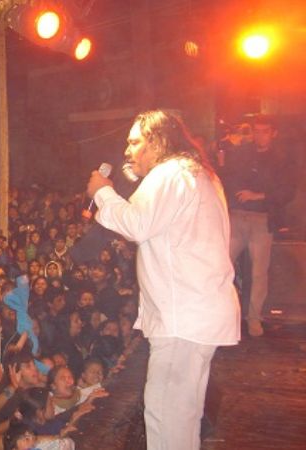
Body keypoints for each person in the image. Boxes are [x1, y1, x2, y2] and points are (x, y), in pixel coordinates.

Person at [86, 109, 240, 450]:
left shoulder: (170, 173)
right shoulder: (196, 174)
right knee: (181, 416)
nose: (127, 150)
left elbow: (136, 223)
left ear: (157, 141)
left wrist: (102, 192)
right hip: (194, 312)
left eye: (134, 141)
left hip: (183, 316)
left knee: (166, 415)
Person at [221, 114, 296, 337]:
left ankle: (254, 318)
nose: (259, 135)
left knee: (259, 273)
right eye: (256, 131)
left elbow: (287, 191)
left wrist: (258, 195)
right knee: (222, 265)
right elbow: (229, 177)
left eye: (264, 131)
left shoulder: (282, 158)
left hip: (262, 220)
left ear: (273, 133)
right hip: (237, 216)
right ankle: (223, 314)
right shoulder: (242, 154)